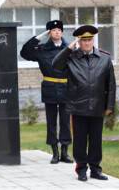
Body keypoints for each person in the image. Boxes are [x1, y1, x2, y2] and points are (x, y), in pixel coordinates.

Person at [52, 25, 116, 182]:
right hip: (78, 106)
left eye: (89, 40)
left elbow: (111, 85)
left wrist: (109, 106)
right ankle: (81, 169)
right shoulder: (71, 57)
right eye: (83, 40)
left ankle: (95, 169)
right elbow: (55, 65)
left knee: (96, 140)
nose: (87, 43)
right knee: (80, 140)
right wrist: (68, 49)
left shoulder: (105, 58)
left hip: (97, 106)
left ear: (93, 40)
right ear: (78, 41)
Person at [20, 20, 73, 164]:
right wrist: (39, 37)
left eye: (59, 30)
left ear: (62, 32)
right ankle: (55, 152)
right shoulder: (42, 49)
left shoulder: (69, 49)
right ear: (49, 32)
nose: (57, 32)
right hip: (50, 88)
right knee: (51, 122)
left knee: (65, 122)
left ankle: (64, 153)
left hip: (66, 89)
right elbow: (24, 52)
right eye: (53, 30)